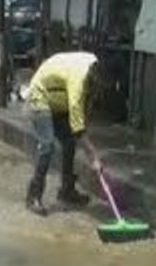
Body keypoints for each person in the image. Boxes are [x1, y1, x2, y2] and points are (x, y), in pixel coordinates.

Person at [25, 52, 104, 216]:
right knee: (47, 145)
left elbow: (83, 112)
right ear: (95, 75)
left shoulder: (93, 65)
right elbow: (78, 126)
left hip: (58, 97)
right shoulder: (79, 79)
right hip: (40, 96)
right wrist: (94, 157)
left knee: (69, 144)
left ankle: (67, 190)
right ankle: (33, 196)